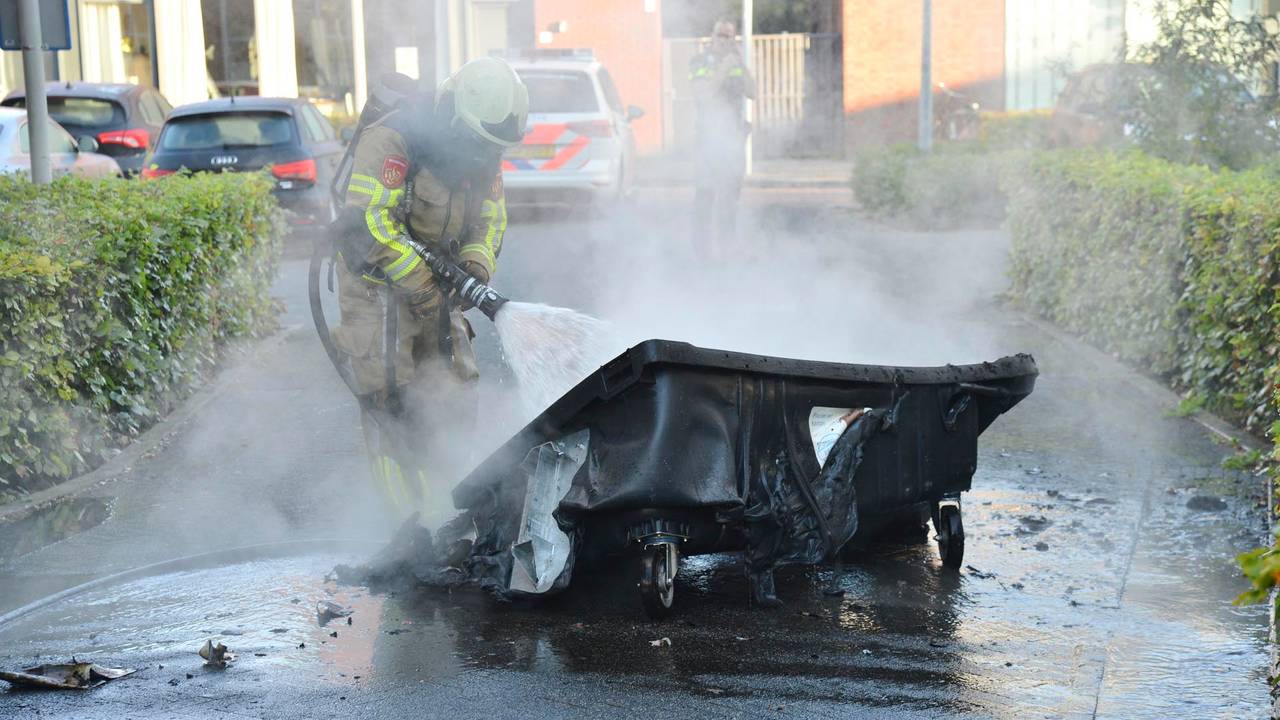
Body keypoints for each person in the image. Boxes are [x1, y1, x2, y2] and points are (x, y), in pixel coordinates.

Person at [331, 57, 528, 521]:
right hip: (375, 291)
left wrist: (476, 264)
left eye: (494, 148)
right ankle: (407, 526)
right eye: (481, 144)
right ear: (458, 119)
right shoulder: (395, 140)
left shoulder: (483, 152)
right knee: (391, 401)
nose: (487, 156)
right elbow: (370, 224)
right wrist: (422, 286)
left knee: (455, 392)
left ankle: (453, 511)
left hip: (436, 294)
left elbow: (491, 218)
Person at [689, 19, 755, 259]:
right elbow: (704, 95)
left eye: (729, 36)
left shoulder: (734, 62)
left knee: (731, 196)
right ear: (712, 36)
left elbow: (753, 92)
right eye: (721, 35)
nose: (725, 40)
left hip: (733, 138)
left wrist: (740, 64)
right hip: (708, 138)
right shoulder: (699, 62)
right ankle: (702, 251)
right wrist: (724, 69)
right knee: (706, 193)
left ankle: (727, 246)